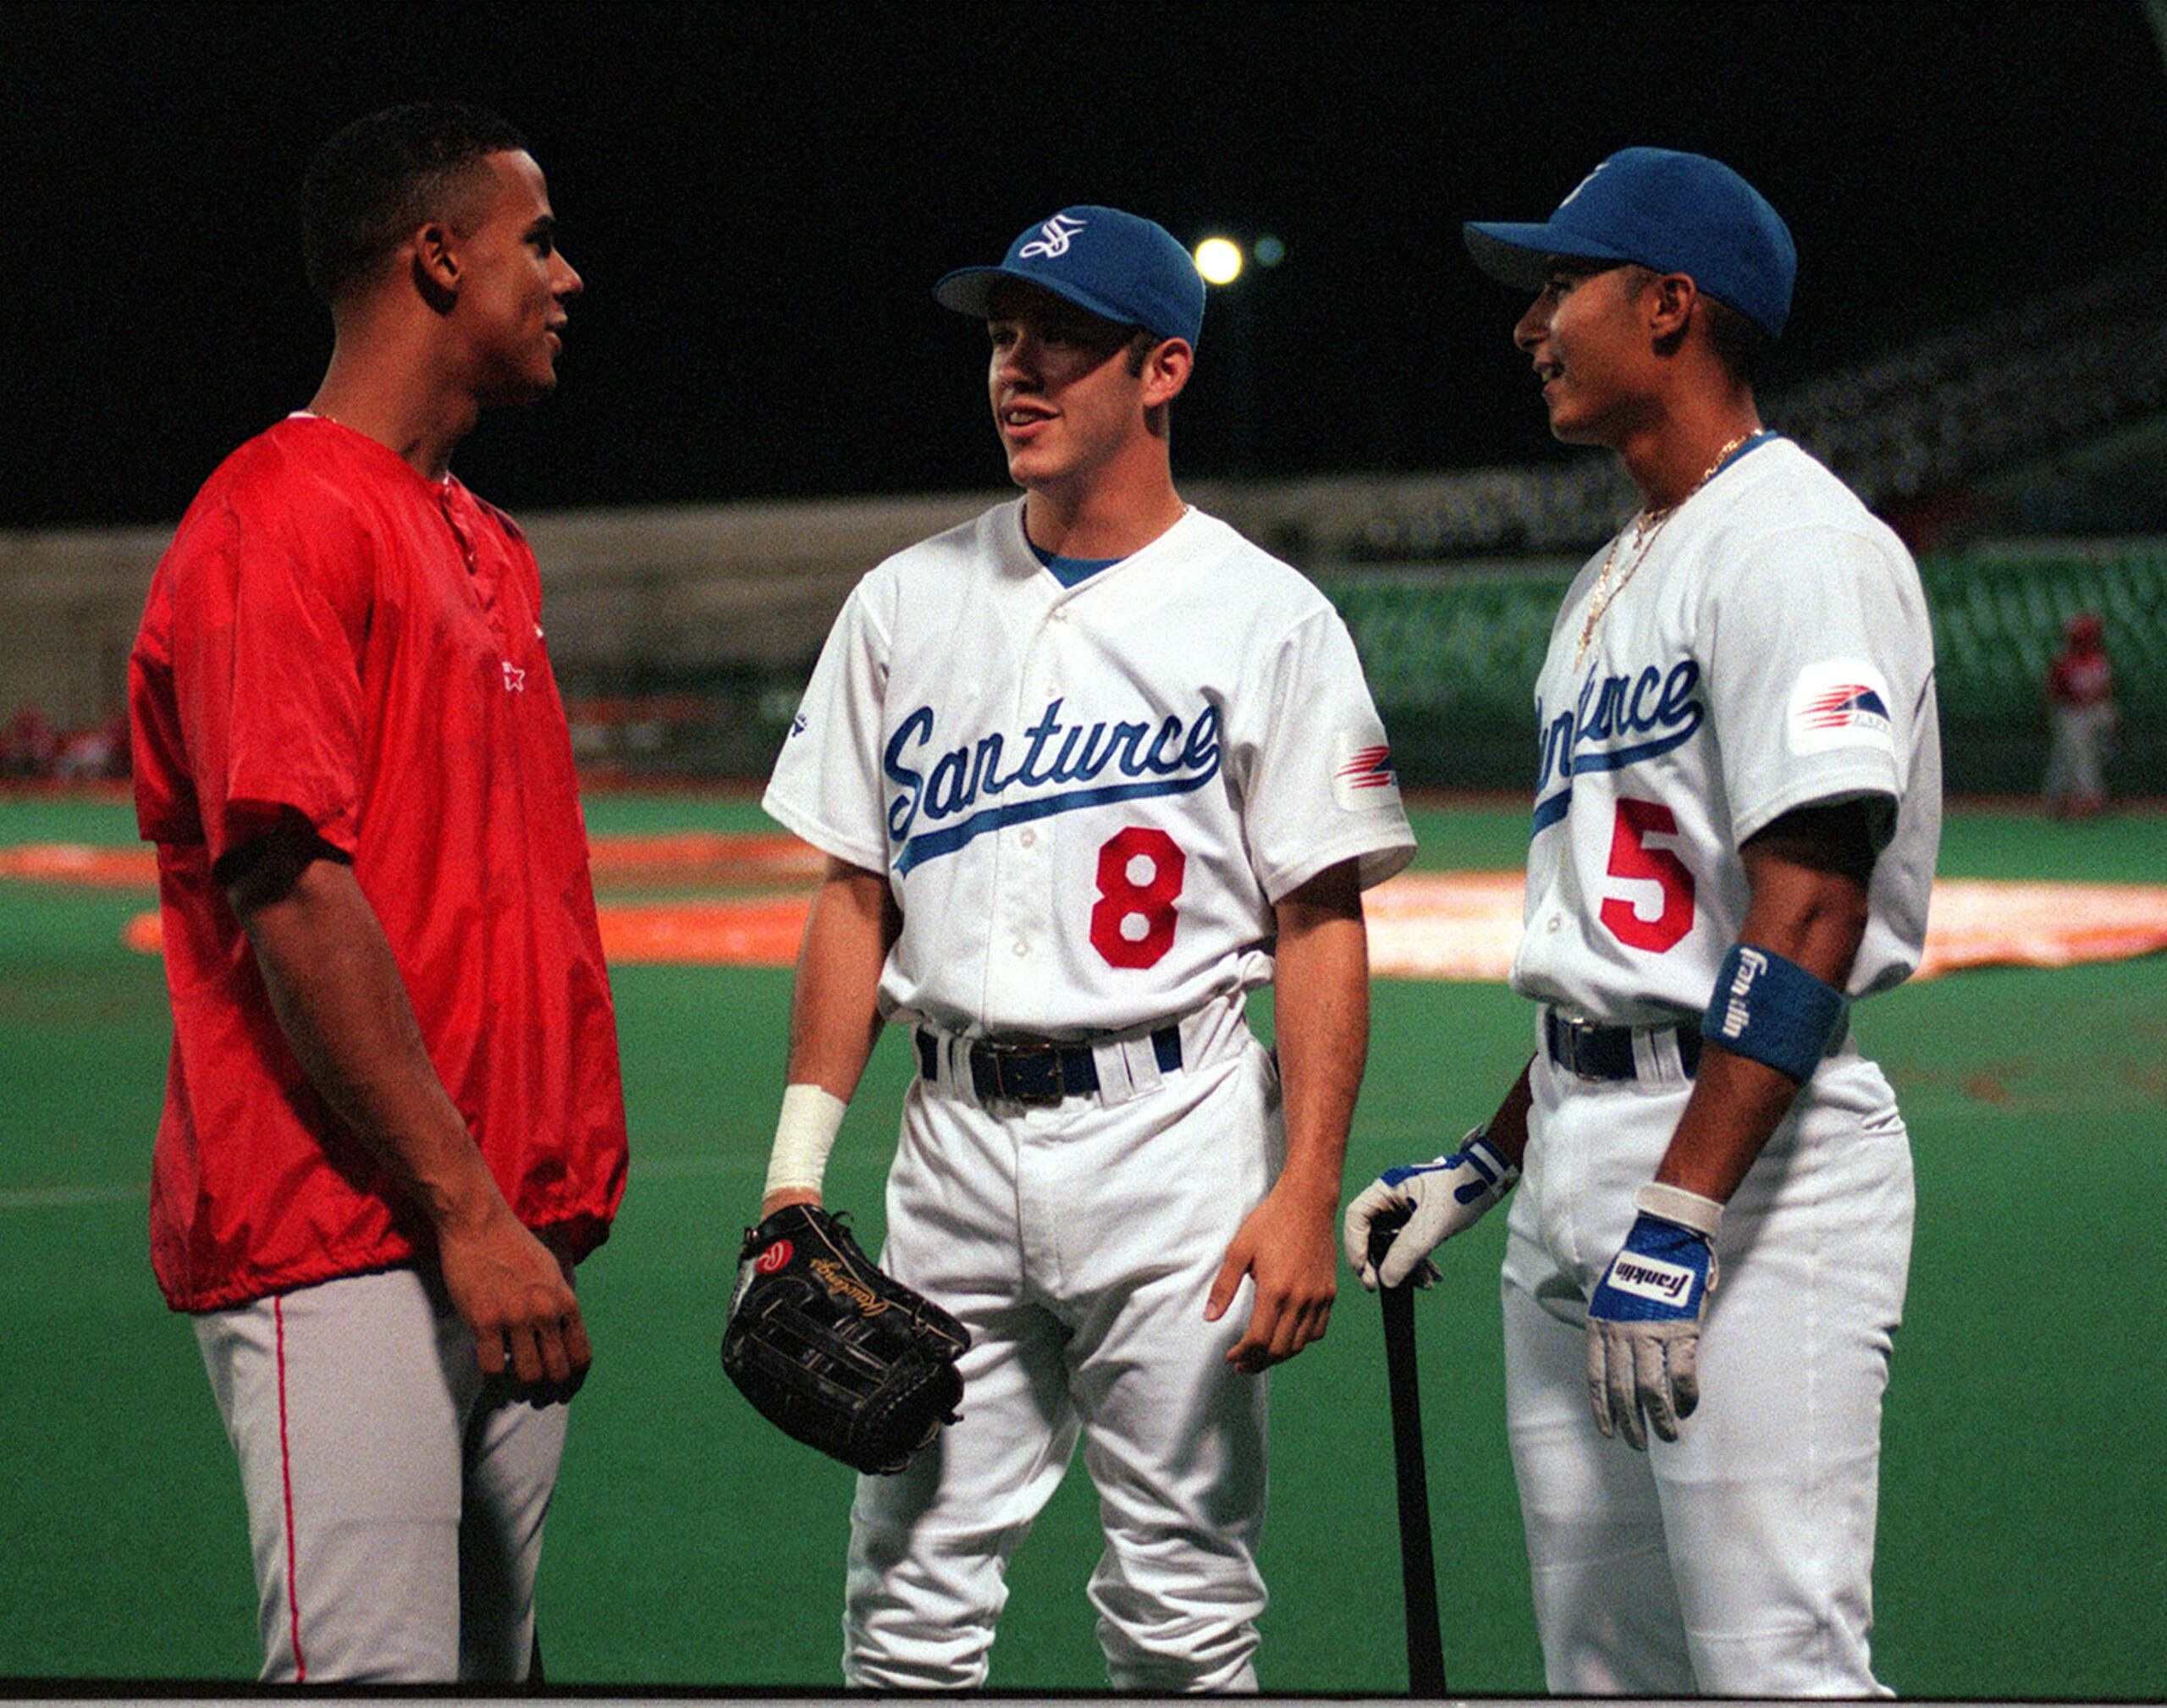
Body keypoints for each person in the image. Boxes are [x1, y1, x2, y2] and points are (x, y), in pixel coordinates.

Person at [757, 205, 1415, 1689]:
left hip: (1175, 1138)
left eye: (1061, 337)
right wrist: (796, 1171)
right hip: (950, 1142)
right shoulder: (903, 601)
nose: (1018, 368)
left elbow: (1320, 920)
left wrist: (1307, 1183)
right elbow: (853, 898)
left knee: (1184, 1602)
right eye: (1002, 336)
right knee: (907, 1597)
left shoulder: (1268, 617)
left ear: (1164, 367)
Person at [1346, 149, 1941, 1696]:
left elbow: (1806, 908)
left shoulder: (1796, 545)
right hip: (1588, 1155)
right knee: (1607, 1668)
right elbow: (1619, 958)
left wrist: (1681, 1219)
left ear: (1671, 306)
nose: (1528, 322)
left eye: (1561, 285)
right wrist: (1495, 1154)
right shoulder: (1618, 569)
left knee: (1774, 1666)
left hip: (1750, 1171)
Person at [127, 103, 626, 1684]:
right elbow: (290, 889)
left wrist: (524, 1210)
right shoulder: (274, 518)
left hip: (499, 1241)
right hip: (342, 1230)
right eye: (534, 239)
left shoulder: (487, 542)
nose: (566, 275)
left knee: (490, 1676)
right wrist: (467, 1209)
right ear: (436, 255)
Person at [2043, 609, 2115, 817]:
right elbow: (2055, 694)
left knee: (2076, 753)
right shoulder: (2064, 663)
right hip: (2071, 713)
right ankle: (2083, 798)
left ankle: (2068, 798)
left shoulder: (2099, 661)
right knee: (2075, 751)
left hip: (2093, 712)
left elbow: (2104, 692)